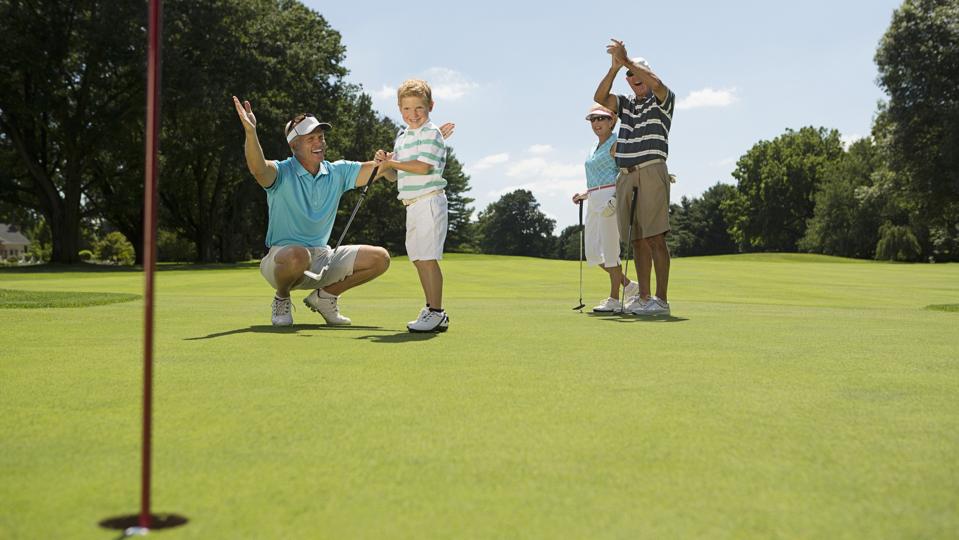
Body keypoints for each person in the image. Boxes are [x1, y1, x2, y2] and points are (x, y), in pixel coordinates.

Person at [232, 95, 390, 327]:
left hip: (323, 257)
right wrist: (250, 132)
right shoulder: (281, 172)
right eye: (311, 138)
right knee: (298, 255)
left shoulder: (337, 171)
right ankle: (282, 297)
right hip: (282, 260)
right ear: (294, 145)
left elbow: (380, 168)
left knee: (380, 258)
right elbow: (258, 168)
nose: (319, 142)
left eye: (321, 137)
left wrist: (422, 143)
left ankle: (325, 298)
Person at [594, 39, 675, 316]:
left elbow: (658, 84)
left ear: (648, 75)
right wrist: (615, 68)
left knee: (655, 238)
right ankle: (643, 297)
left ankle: (661, 301)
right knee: (638, 239)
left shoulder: (663, 99)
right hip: (626, 176)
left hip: (651, 170)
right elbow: (600, 97)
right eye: (630, 76)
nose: (633, 78)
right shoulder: (626, 104)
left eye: (638, 73)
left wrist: (628, 62)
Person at [374, 79, 451, 333]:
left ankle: (437, 312)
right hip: (411, 205)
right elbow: (395, 176)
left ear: (430, 106)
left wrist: (393, 163)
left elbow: (423, 167)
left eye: (419, 108)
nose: (413, 115)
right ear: (399, 108)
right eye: (406, 109)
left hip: (429, 200)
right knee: (418, 258)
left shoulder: (432, 133)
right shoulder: (403, 137)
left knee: (428, 258)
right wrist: (385, 165)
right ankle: (432, 308)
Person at [571, 103, 639, 312]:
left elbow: (628, 171)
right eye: (593, 119)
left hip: (611, 197)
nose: (596, 123)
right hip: (593, 197)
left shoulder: (616, 143)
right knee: (592, 251)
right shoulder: (594, 147)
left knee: (610, 249)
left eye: (601, 119)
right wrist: (586, 193)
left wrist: (617, 198)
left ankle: (614, 299)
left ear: (611, 121)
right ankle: (629, 285)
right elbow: (596, 176)